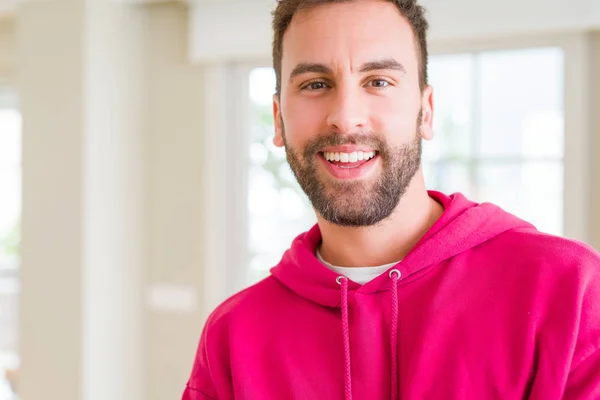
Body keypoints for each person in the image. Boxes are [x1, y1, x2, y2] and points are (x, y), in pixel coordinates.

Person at [182, 0, 600, 398]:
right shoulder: (233, 337)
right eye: (315, 84)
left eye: (378, 81)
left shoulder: (566, 291)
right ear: (278, 119)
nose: (345, 116)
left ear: (426, 111)